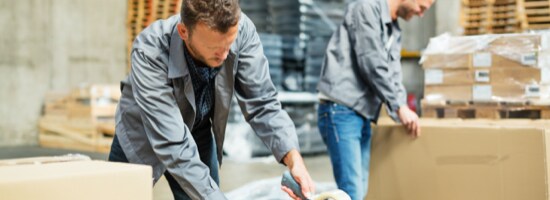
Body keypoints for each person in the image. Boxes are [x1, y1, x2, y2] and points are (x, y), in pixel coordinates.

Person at [108, 0, 315, 199]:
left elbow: (263, 102)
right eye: (215, 49)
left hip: (198, 125)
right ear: (184, 32)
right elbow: (174, 145)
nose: (225, 55)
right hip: (143, 129)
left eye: (229, 44)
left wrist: (294, 159)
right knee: (116, 194)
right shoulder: (149, 51)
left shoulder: (243, 30)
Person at [316, 0, 435, 199]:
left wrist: (402, 106)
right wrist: (399, 107)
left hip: (362, 112)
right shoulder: (366, 8)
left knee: (359, 191)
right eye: (421, 8)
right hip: (341, 109)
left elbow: (394, 73)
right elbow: (371, 61)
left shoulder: (394, 30)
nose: (421, 14)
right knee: (351, 191)